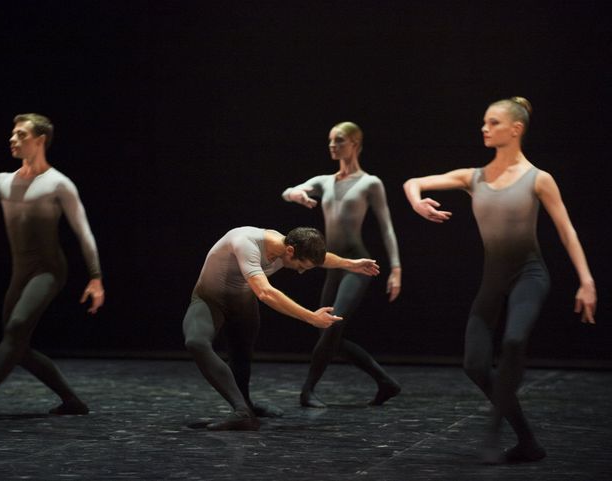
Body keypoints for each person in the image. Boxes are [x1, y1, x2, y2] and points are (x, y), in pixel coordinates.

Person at [403, 97, 596, 463]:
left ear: (515, 129)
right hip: (493, 278)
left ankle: (492, 430)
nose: (484, 128)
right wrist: (417, 201)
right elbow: (413, 181)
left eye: (492, 122)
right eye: (484, 122)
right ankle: (528, 442)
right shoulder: (473, 178)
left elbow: (567, 231)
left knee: (513, 339)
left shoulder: (539, 179)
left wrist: (586, 282)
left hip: (530, 274)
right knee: (474, 365)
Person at [0, 113, 105, 421]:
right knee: (18, 346)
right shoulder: (1, 182)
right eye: (12, 134)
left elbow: (84, 232)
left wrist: (96, 278)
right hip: (21, 272)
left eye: (21, 135)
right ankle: (71, 400)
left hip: (49, 271)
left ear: (39, 141)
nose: (13, 139)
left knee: (15, 330)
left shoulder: (58, 184)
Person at [183, 226, 380, 430]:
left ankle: (246, 407)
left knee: (241, 356)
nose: (302, 272)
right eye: (302, 266)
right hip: (210, 300)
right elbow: (265, 293)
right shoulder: (246, 243)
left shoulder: (287, 245)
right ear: (290, 252)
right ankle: (243, 413)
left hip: (243, 303)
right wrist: (311, 317)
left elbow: (323, 258)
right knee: (196, 342)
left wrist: (351, 264)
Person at [281, 122, 402, 408]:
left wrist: (396, 268)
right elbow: (287, 191)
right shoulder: (324, 182)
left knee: (332, 325)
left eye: (339, 140)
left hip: (356, 265)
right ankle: (385, 382)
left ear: (356, 144)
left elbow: (387, 228)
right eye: (330, 141)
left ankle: (307, 391)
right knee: (327, 332)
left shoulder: (369, 183)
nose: (333, 146)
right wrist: (295, 194)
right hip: (331, 264)